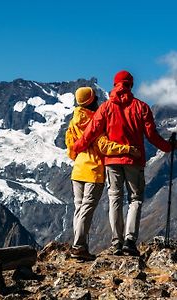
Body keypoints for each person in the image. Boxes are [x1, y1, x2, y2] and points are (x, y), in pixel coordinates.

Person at [73, 70, 175, 256]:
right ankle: (129, 240)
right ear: (131, 85)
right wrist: (168, 147)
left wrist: (76, 147)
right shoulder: (141, 107)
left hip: (111, 161)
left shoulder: (105, 107)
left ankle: (116, 242)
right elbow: (151, 135)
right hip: (134, 160)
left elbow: (91, 132)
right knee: (135, 199)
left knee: (115, 199)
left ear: (115, 85)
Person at [66, 86, 140, 261]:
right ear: (91, 101)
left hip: (78, 169)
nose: (99, 100)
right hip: (93, 170)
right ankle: (79, 246)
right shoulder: (95, 121)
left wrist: (76, 155)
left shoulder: (74, 121)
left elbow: (70, 145)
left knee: (79, 208)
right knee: (87, 208)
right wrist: (128, 149)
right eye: (96, 98)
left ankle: (79, 246)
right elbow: (104, 146)